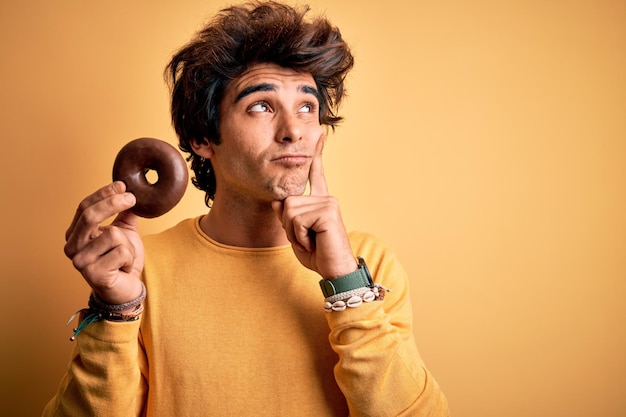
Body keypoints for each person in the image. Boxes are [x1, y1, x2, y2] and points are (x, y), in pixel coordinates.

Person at [43, 1, 450, 416]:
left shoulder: (369, 264)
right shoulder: (140, 269)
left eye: (307, 107)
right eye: (261, 105)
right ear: (203, 136)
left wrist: (346, 283)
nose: (293, 131)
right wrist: (115, 311)